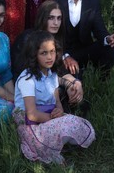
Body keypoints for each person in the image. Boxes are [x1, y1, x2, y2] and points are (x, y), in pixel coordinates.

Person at [13, 31, 96, 165]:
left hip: (48, 117)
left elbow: (56, 102)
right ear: (34, 55)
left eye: (52, 52)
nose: (50, 57)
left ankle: (56, 144)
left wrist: (59, 111)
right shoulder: (27, 79)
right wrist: (56, 119)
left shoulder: (52, 75)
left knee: (83, 126)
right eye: (44, 53)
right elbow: (32, 115)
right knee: (64, 125)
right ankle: (47, 149)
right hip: (30, 124)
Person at [11, 0, 84, 108]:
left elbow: (59, 69)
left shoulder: (56, 39)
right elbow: (27, 73)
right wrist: (66, 83)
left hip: (48, 80)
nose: (56, 23)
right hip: (29, 87)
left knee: (74, 75)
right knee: (59, 89)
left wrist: (75, 82)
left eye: (59, 18)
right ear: (42, 18)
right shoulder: (27, 38)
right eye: (51, 18)